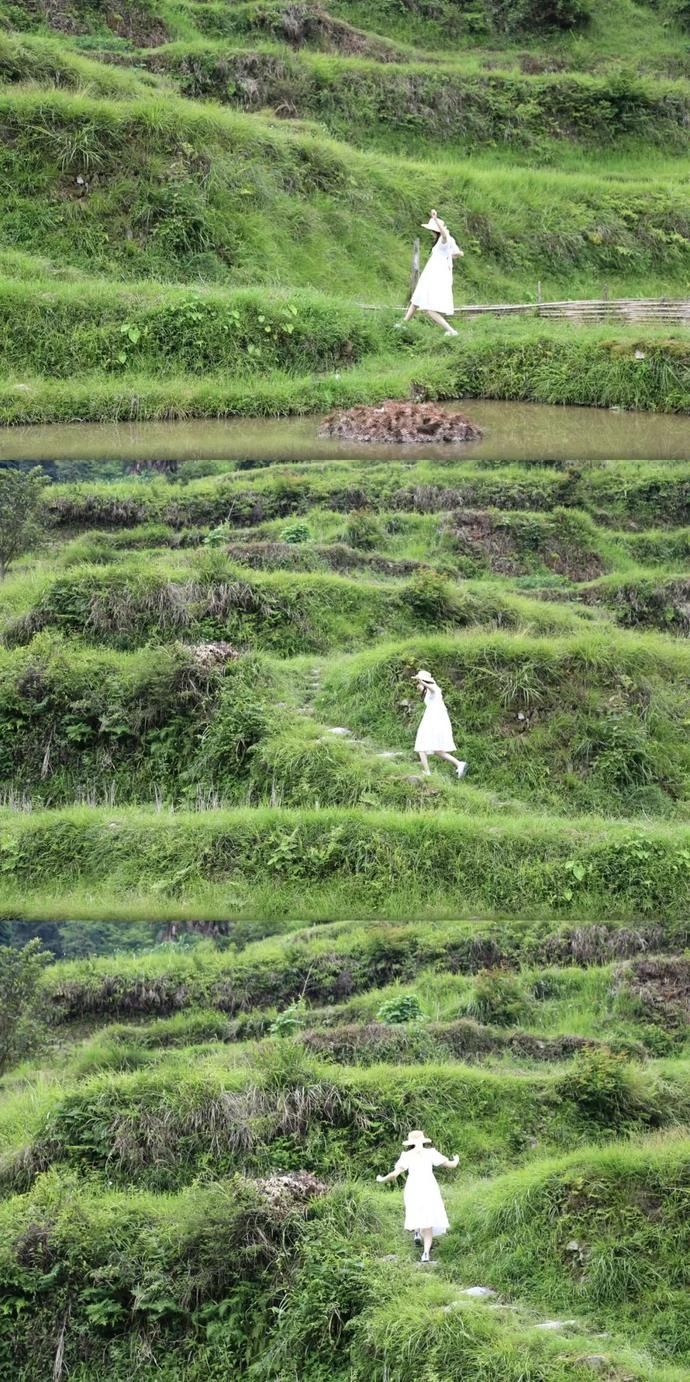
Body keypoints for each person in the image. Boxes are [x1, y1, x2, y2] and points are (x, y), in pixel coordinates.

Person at [376, 1129, 459, 1262]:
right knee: (429, 1219)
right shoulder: (431, 1153)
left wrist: (382, 1179)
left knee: (416, 1211)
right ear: (423, 1140)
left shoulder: (407, 1155)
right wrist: (456, 1159)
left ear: (410, 1142)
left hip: (413, 1187)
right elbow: (451, 1165)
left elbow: (394, 1175)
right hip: (429, 1186)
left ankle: (416, 1232)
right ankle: (425, 1254)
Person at [398, 209, 464, 337]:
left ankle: (451, 331)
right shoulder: (445, 242)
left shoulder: (443, 240)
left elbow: (444, 236)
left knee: (429, 308)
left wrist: (435, 219)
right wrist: (456, 254)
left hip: (436, 275)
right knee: (417, 298)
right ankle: (403, 323)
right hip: (432, 272)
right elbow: (457, 253)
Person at [413, 669, 466, 778]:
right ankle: (459, 764)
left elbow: (432, 688)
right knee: (436, 750)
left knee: (421, 745)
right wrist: (422, 684)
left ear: (425, 682)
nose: (417, 685)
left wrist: (422, 682)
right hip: (432, 719)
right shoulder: (428, 692)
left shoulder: (434, 689)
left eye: (419, 682)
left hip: (434, 720)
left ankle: (427, 772)